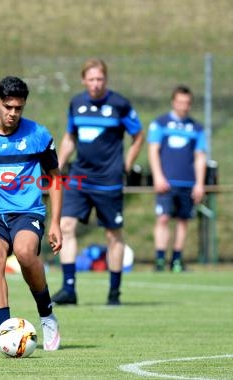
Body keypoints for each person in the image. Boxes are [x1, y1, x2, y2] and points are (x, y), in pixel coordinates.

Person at [0, 76, 62, 351]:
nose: (13, 113)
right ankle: (5, 330)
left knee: (26, 253)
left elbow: (55, 178)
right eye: (8, 107)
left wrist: (55, 223)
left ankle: (46, 313)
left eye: (18, 108)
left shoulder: (38, 135)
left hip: (27, 211)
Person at [52, 58, 144, 306]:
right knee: (66, 226)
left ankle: (114, 294)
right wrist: (58, 165)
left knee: (113, 235)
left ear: (106, 79)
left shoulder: (119, 104)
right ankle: (68, 289)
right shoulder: (77, 103)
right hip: (80, 178)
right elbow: (70, 136)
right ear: (84, 80)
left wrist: (127, 163)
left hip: (109, 182)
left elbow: (138, 136)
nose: (95, 84)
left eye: (100, 79)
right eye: (91, 79)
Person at [148, 85, 207, 272]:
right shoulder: (160, 123)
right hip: (166, 181)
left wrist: (199, 183)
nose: (184, 106)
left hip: (187, 182)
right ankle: (159, 259)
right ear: (174, 102)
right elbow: (153, 151)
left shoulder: (196, 128)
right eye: (180, 102)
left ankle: (177, 260)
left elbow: (200, 157)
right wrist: (157, 176)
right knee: (163, 218)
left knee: (183, 220)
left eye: (187, 103)